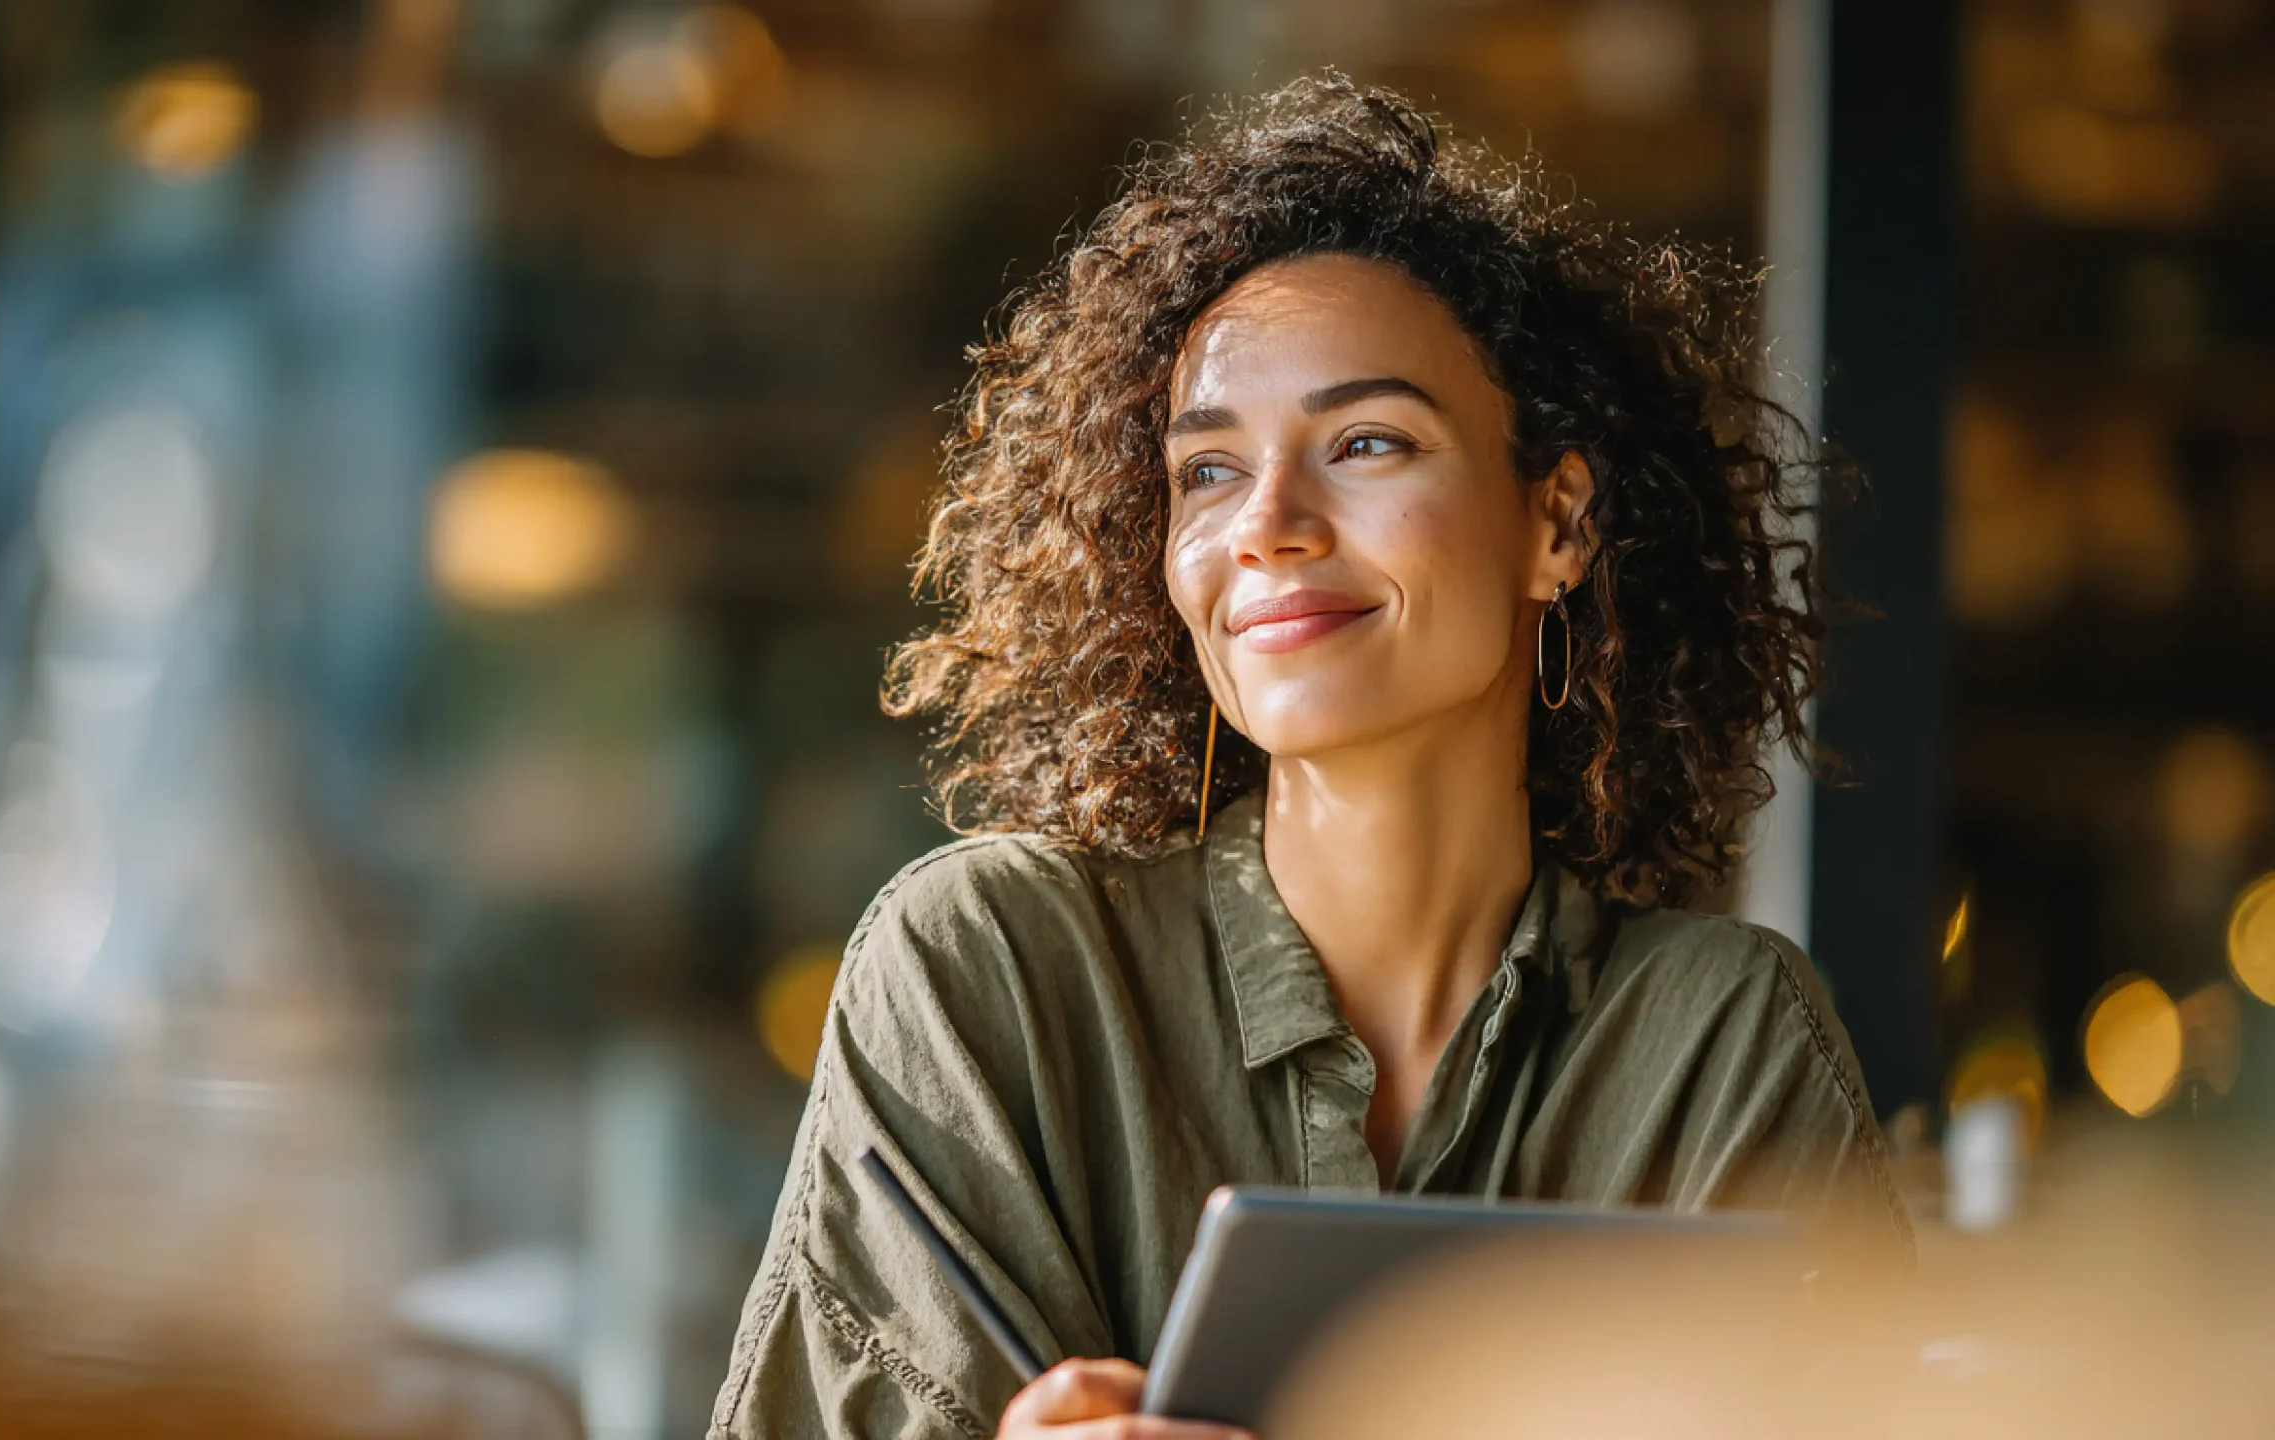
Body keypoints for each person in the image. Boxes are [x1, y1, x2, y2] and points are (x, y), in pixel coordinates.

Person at [711, 75, 1909, 1440]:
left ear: (1558, 525)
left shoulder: (1716, 1039)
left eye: (1367, 443)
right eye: (1207, 472)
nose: (1267, 524)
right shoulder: (989, 972)